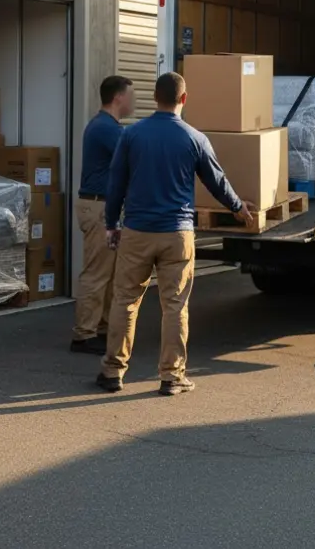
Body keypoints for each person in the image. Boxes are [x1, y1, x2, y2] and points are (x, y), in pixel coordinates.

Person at [96, 72, 253, 396]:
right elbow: (216, 182)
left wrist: (112, 223)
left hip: (137, 231)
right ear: (184, 99)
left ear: (155, 97)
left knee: (125, 301)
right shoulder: (195, 138)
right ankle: (172, 376)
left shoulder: (131, 135)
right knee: (174, 306)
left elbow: (115, 184)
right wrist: (238, 207)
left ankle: (113, 372)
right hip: (177, 234)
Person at [70, 75, 135, 354]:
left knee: (110, 273)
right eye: (131, 95)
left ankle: (102, 328)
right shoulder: (106, 129)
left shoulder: (107, 126)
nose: (134, 101)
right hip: (98, 207)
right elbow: (136, 154)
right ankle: (84, 335)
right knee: (97, 273)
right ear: (118, 98)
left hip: (104, 206)